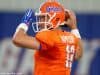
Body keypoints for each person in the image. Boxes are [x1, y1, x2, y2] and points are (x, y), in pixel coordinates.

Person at [12, 0, 83, 75]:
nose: (39, 22)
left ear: (56, 18)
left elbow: (17, 39)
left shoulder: (49, 36)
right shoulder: (71, 37)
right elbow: (78, 54)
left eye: (43, 17)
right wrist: (74, 28)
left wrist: (24, 23)